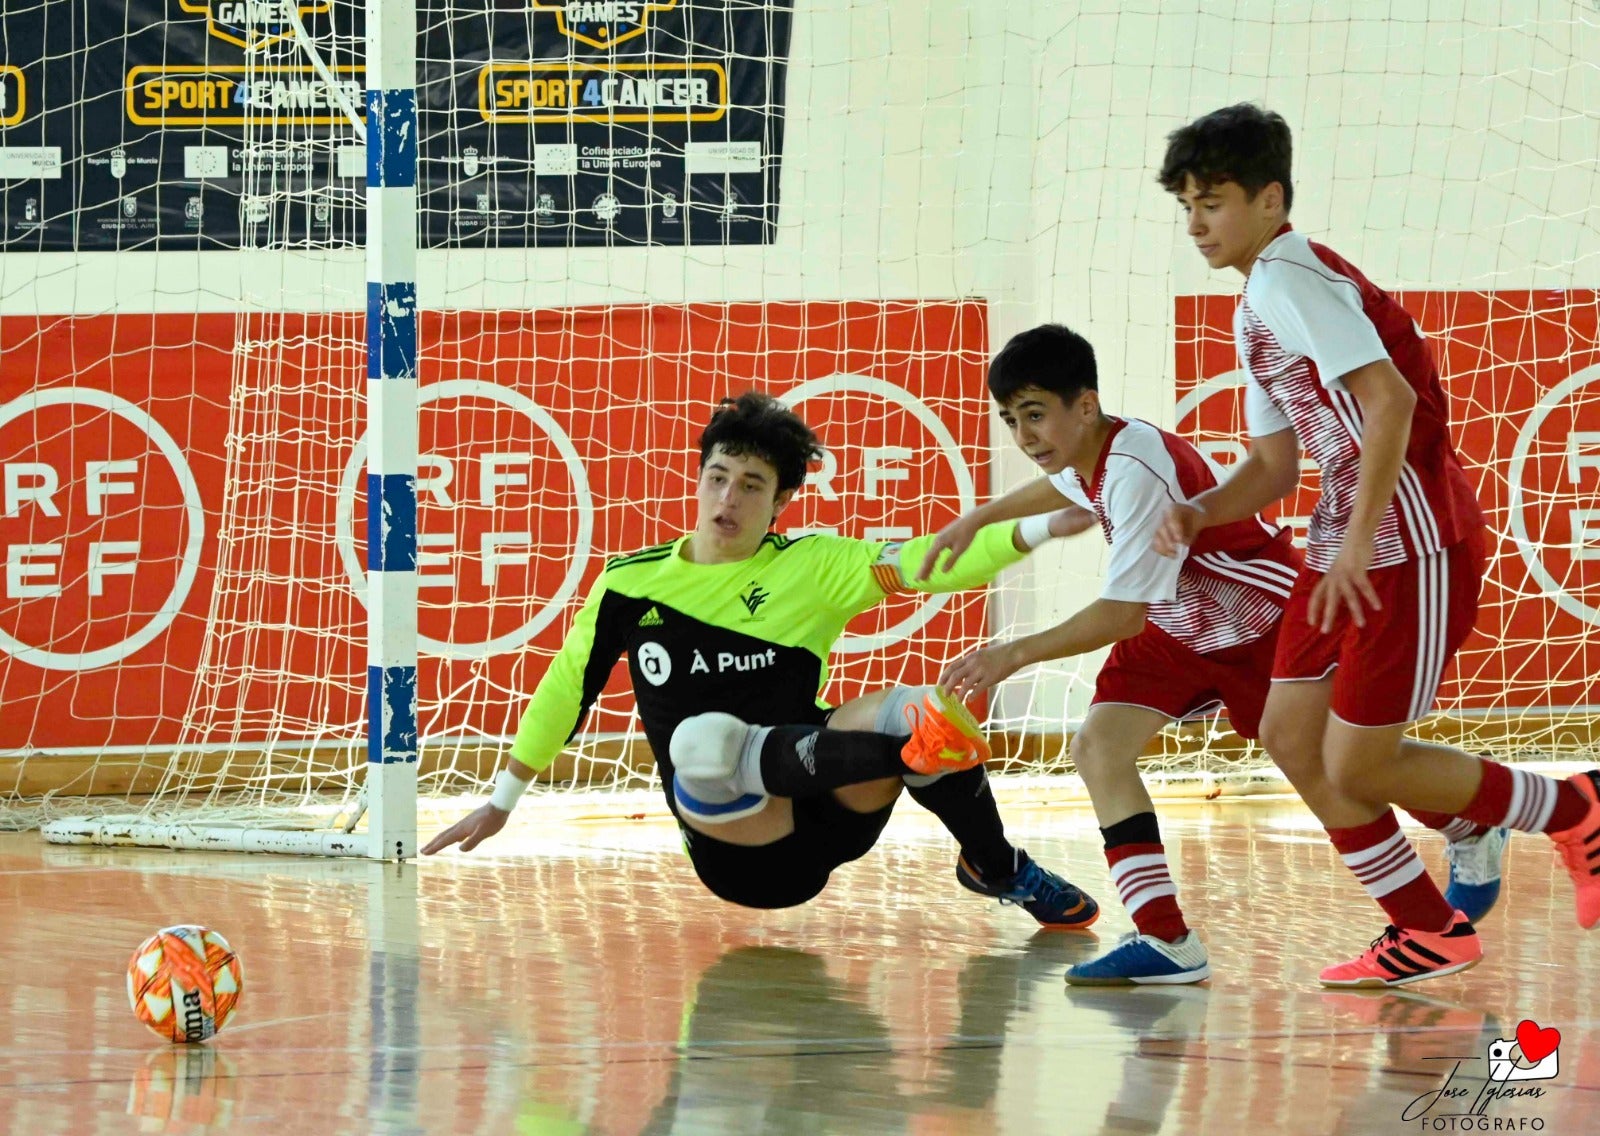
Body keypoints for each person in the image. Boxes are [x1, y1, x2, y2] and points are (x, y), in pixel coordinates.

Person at [1154, 103, 1600, 986]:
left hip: (1410, 541)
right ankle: (1429, 929)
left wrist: (1359, 540)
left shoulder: (1291, 278)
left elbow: (1389, 400)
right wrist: (1196, 513)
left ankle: (1574, 806)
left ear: (1271, 198)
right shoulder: (1257, 299)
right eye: (1187, 207)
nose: (1197, 224)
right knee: (1290, 735)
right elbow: (1275, 467)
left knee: (1361, 761)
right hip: (1344, 546)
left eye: (1213, 202)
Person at [424, 391, 1100, 928]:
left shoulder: (814, 565)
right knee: (702, 741)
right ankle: (909, 756)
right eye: (718, 478)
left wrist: (1036, 528)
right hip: (740, 846)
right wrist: (502, 800)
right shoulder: (629, 586)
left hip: (833, 811)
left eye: (751, 485)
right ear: (698, 479)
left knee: (923, 709)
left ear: (780, 502)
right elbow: (565, 690)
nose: (728, 498)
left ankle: (996, 866)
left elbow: (927, 561)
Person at [922, 323, 1301, 985]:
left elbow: (1121, 615)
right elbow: (1062, 488)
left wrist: (1012, 655)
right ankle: (1165, 939)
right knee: (1099, 746)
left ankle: (1467, 818)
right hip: (1180, 626)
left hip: (1261, 623)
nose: (1023, 436)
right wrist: (977, 518)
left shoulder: (1133, 470)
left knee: (1336, 768)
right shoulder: (1092, 452)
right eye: (1011, 420)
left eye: (1035, 414)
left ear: (1086, 405)